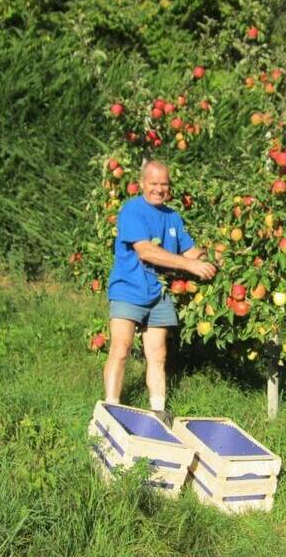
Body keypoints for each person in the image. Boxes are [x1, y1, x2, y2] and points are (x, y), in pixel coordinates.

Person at [102, 160, 217, 426]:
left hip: (160, 292)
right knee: (121, 348)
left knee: (158, 354)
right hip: (128, 288)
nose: (159, 189)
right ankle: (111, 408)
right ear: (142, 183)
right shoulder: (132, 211)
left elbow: (188, 250)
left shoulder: (173, 216)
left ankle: (158, 413)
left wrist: (212, 255)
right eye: (153, 184)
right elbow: (146, 251)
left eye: (164, 184)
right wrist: (190, 265)